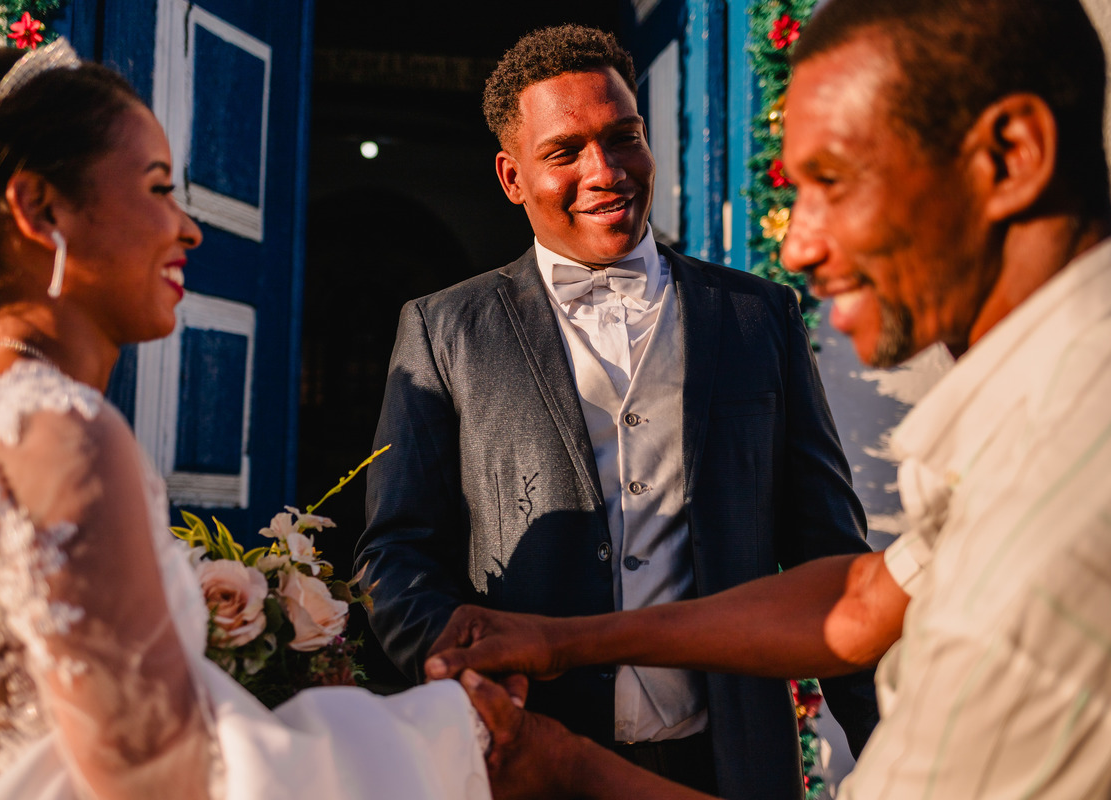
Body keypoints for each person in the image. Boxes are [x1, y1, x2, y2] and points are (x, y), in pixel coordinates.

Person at [428, 0, 1111, 798]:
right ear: (512, 176)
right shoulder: (1041, 417)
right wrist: (564, 643)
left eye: (833, 181)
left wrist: (566, 767)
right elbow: (862, 600)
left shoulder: (1055, 514)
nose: (798, 244)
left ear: (1010, 155)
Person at [0, 41, 491, 800]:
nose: (188, 229)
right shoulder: (57, 429)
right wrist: (454, 733)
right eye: (158, 188)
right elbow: (168, 776)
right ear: (40, 208)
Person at [356, 23, 877, 798]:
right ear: (511, 177)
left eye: (623, 137)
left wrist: (897, 748)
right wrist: (466, 667)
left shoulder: (757, 316)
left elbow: (827, 553)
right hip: (535, 756)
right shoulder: (444, 331)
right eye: (565, 151)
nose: (605, 171)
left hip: (735, 763)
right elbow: (396, 554)